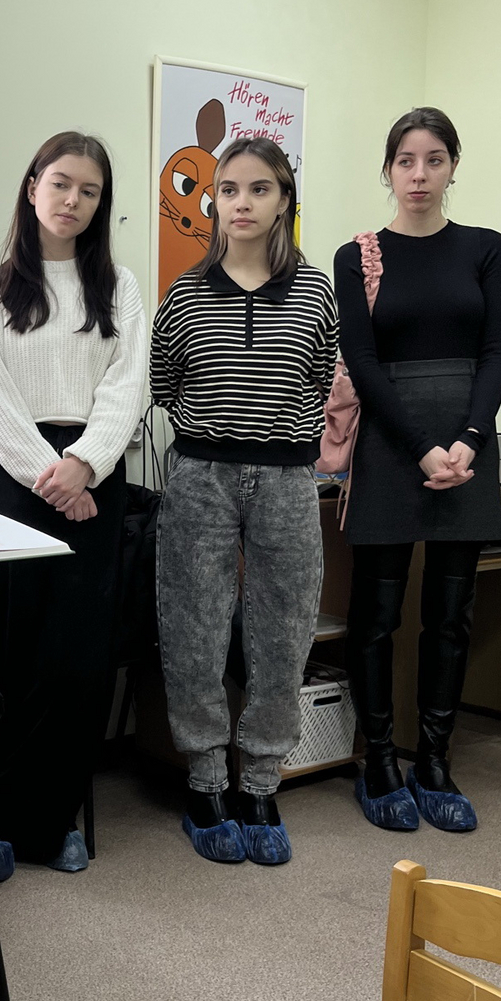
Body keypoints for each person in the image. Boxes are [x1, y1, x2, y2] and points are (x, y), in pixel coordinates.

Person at [150, 137, 337, 866]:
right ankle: (204, 783)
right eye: (229, 190)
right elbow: (165, 386)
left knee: (283, 633)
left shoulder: (316, 291)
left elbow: (318, 378)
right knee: (193, 630)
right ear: (215, 201)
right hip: (201, 474)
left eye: (260, 189)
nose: (243, 203)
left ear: (284, 200)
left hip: (288, 480)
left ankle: (260, 783)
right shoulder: (184, 294)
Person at [0, 131, 146, 871]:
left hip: (95, 480)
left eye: (89, 191)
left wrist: (85, 466)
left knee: (77, 660)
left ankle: (55, 820)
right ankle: (1, 822)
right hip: (15, 482)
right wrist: (53, 474)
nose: (73, 200)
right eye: (62, 183)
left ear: (101, 204)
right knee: (14, 653)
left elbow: (127, 388)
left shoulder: (120, 287)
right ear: (33, 185)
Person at [335, 107, 501, 835]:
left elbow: (495, 353)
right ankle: (379, 761)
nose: (419, 174)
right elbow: (362, 360)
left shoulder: (486, 248)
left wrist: (468, 439)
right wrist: (420, 447)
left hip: (466, 444)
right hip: (390, 443)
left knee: (451, 615)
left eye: (434, 160)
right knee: (375, 617)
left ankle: (434, 761)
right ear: (387, 170)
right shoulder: (357, 255)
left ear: (452, 167)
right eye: (406, 161)